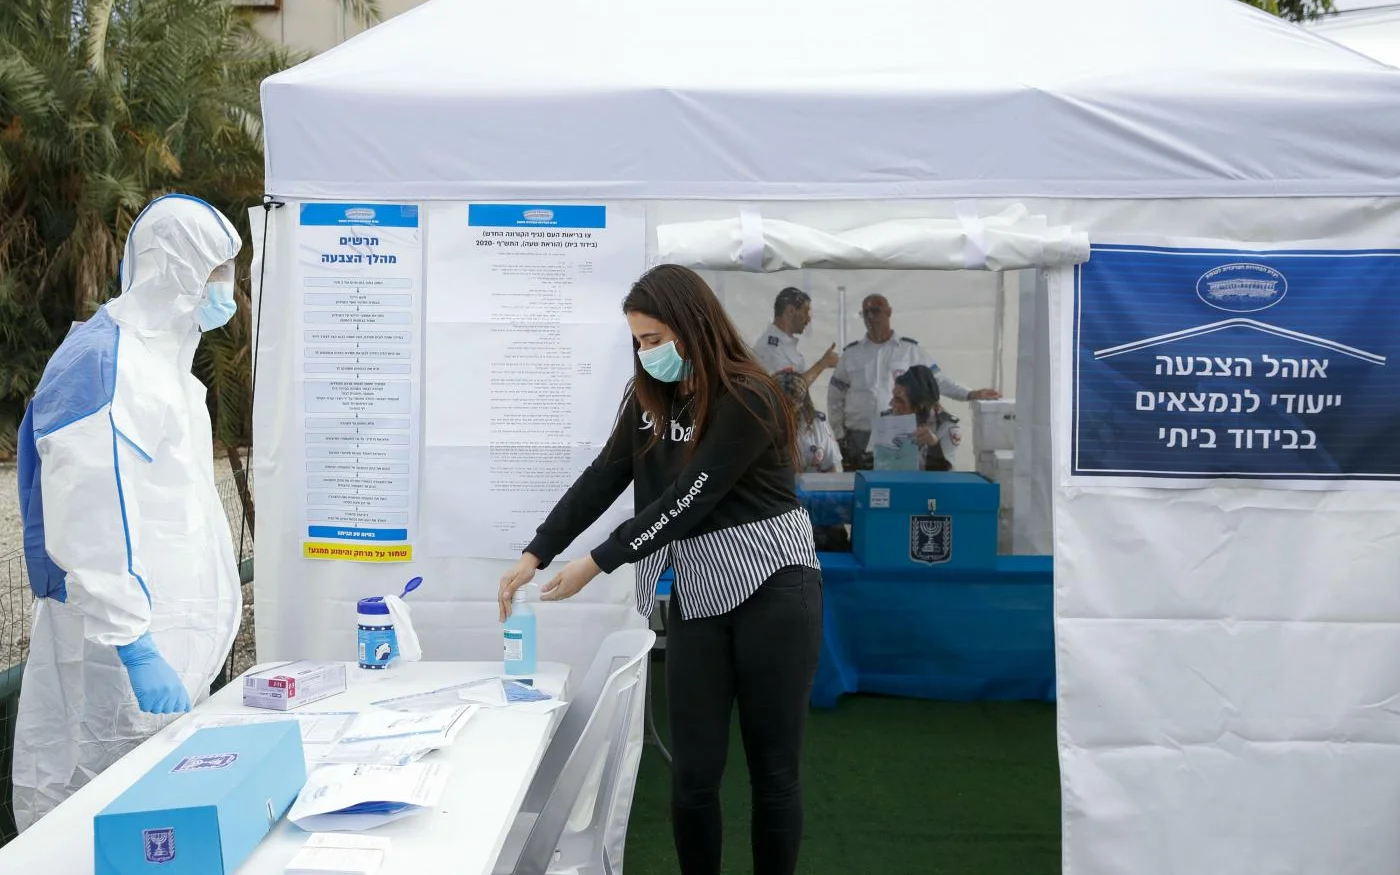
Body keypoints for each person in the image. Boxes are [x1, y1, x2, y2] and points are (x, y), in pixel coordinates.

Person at [498, 264, 823, 875]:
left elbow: (690, 498)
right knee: (694, 773)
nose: (646, 354)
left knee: (773, 770)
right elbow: (603, 476)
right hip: (700, 592)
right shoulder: (647, 398)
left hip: (776, 589)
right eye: (638, 342)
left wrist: (595, 563)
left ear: (694, 326)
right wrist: (536, 551)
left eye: (654, 339)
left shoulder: (749, 397)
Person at [11, 194, 244, 830]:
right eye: (217, 272)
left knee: (151, 813)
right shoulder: (104, 363)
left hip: (166, 639)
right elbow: (86, 514)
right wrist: (133, 640)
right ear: (177, 269)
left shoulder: (164, 363)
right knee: (91, 807)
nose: (227, 289)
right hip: (116, 648)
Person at [828, 293, 998, 470]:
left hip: (898, 432)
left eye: (876, 311)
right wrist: (840, 436)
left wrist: (969, 394)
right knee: (860, 489)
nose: (871, 317)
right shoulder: (851, 354)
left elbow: (936, 380)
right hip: (858, 435)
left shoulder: (910, 350)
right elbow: (834, 397)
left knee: (895, 486)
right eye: (866, 312)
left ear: (889, 312)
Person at [751, 286, 839, 385]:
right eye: (805, 312)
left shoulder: (783, 343)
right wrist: (822, 364)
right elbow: (790, 390)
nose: (808, 319)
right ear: (790, 311)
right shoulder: (771, 348)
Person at [883, 365, 963, 471]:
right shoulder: (888, 419)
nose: (891, 404)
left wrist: (934, 447)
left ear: (920, 405)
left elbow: (943, 474)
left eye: (899, 400)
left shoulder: (946, 426)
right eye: (893, 397)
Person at [774, 371, 840, 474]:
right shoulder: (762, 426)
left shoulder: (818, 425)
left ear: (802, 403)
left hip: (812, 486)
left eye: (792, 404)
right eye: (780, 402)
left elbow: (830, 466)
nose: (786, 409)